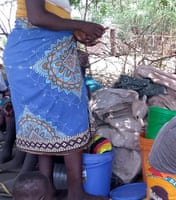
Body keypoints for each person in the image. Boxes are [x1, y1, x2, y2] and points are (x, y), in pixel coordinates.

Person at [2, 0, 106, 199]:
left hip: (37, 52)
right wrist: (80, 24)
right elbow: (37, 17)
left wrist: (76, 32)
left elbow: (51, 18)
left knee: (44, 120)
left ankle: (47, 190)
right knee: (70, 116)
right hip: (36, 53)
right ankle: (75, 192)